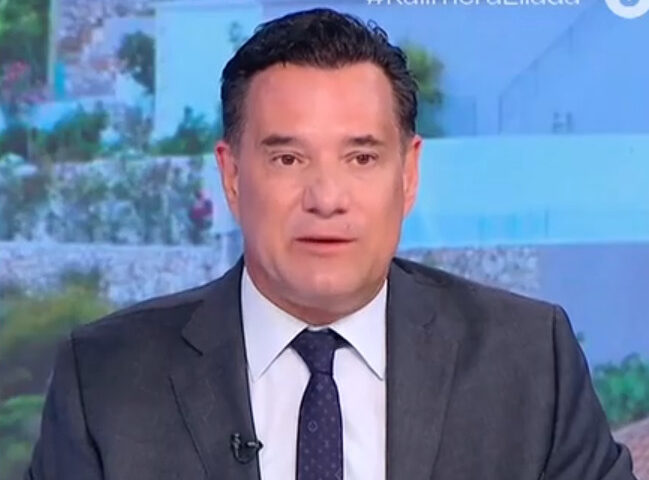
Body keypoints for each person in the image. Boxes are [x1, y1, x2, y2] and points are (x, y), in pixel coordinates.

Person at [25, 8, 636, 480]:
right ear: (232, 176)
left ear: (408, 174)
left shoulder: (528, 361)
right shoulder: (106, 377)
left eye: (361, 158)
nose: (326, 198)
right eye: (288, 159)